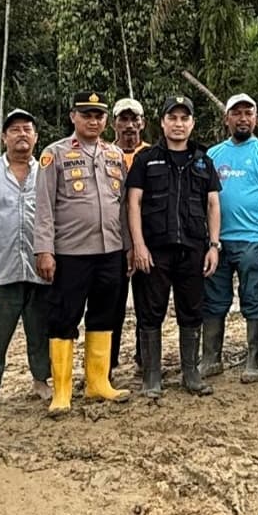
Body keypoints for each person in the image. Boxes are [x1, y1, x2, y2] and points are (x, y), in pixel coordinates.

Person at [34, 91, 131, 412]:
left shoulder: (115, 154)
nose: (93, 121)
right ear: (73, 116)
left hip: (111, 251)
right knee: (64, 317)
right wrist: (44, 250)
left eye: (99, 115)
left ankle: (97, 382)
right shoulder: (54, 154)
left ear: (106, 120)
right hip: (70, 253)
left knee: (105, 315)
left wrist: (128, 248)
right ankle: (62, 391)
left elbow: (124, 207)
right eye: (87, 115)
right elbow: (44, 207)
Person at [126, 95, 222, 398]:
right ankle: (152, 377)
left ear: (192, 123)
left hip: (193, 249)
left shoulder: (203, 161)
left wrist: (214, 246)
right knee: (150, 312)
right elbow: (133, 202)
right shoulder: (146, 159)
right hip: (154, 250)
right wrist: (138, 245)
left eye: (184, 118)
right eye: (173, 118)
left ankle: (190, 374)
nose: (178, 124)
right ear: (162, 122)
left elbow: (213, 204)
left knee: (192, 311)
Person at [201, 93, 258, 383]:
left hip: (252, 240)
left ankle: (254, 360)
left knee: (253, 296)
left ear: (256, 118)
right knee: (213, 298)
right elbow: (203, 199)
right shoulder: (212, 156)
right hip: (217, 241)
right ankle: (211, 358)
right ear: (226, 119)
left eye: (248, 113)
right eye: (236, 113)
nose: (243, 118)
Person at [0, 109, 52, 410]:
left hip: (40, 266)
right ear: (4, 136)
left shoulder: (46, 171)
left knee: (40, 328)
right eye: (14, 129)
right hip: (0, 266)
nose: (21, 134)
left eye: (27, 129)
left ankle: (41, 380)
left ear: (36, 137)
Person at [109, 97, 148, 373]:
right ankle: (105, 366)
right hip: (112, 244)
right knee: (111, 308)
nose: (130, 125)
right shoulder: (103, 155)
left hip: (147, 242)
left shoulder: (153, 154)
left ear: (143, 123)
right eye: (124, 119)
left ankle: (145, 361)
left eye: (135, 119)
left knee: (148, 306)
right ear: (114, 124)